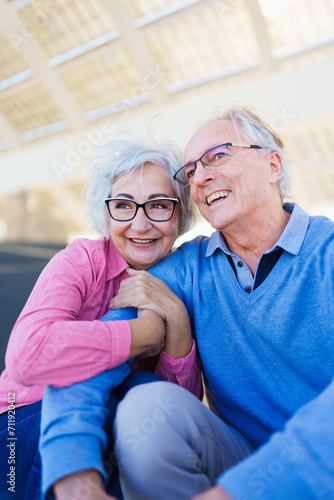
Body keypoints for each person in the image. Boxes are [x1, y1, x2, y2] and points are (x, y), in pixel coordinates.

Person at [47, 104, 333, 499]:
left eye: (218, 155)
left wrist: (235, 492)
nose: (201, 177)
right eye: (191, 170)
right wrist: (74, 475)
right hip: (239, 459)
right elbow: (93, 354)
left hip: (318, 471)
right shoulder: (185, 270)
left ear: (273, 165)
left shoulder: (328, 252)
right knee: (146, 406)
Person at [0, 133, 201, 500]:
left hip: (113, 425)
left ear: (181, 213)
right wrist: (140, 334)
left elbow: (172, 412)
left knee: (142, 398)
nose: (140, 225)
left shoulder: (182, 278)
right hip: (20, 418)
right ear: (105, 212)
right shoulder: (81, 261)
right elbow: (27, 355)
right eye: (123, 205)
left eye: (158, 205)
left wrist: (177, 320)